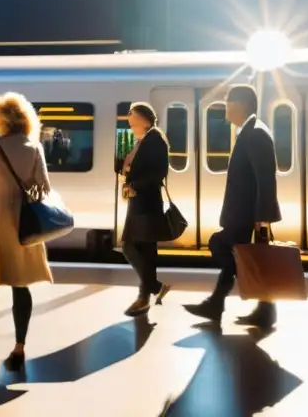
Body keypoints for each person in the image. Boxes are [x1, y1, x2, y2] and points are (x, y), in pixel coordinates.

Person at [184, 84, 282, 329]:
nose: (225, 107)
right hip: (243, 212)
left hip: (246, 214)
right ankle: (259, 309)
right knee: (240, 255)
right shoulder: (248, 131)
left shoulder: (255, 133)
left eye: (228, 102)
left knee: (220, 244)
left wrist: (262, 219)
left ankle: (219, 304)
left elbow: (265, 179)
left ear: (242, 105)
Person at [0, 92, 53, 371]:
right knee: (21, 283)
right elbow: (45, 187)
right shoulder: (34, 147)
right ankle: (19, 346)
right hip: (23, 221)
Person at [117, 102, 172, 317]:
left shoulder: (154, 140)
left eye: (132, 114)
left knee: (128, 246)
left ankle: (155, 287)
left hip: (145, 204)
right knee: (146, 252)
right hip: (142, 203)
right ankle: (143, 299)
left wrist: (133, 185)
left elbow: (158, 174)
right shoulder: (145, 140)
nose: (128, 118)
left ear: (144, 119)